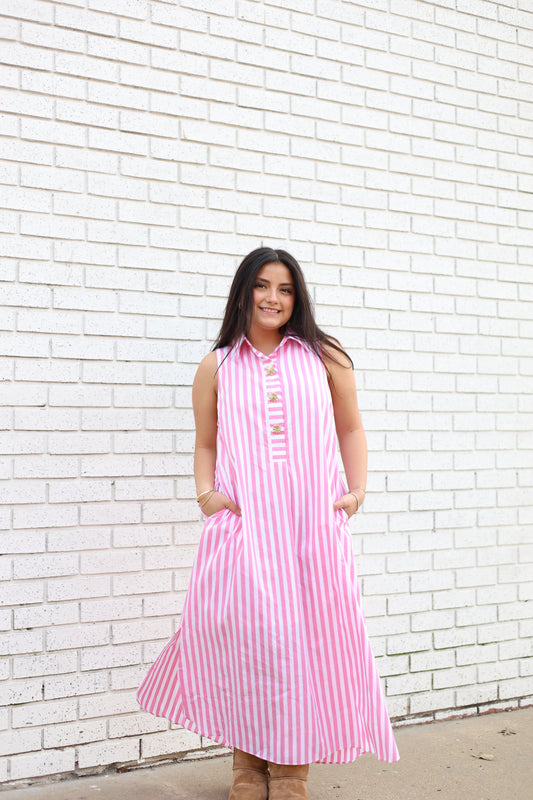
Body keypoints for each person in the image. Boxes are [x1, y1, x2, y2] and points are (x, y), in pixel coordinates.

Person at [137, 247, 400, 799]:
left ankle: (290, 773)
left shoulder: (325, 357)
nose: (272, 298)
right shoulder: (218, 365)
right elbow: (205, 440)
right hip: (246, 533)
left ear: (296, 297)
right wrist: (207, 495)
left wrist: (354, 494)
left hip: (311, 535)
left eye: (284, 289)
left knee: (307, 646)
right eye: (261, 286)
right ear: (243, 293)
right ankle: (246, 768)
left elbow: (351, 430)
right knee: (249, 644)